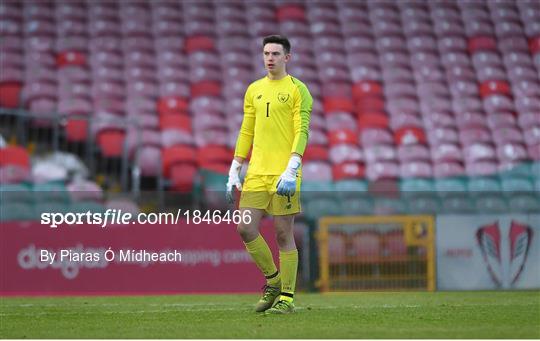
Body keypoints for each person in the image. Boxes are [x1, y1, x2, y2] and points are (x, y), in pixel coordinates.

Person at [226, 35, 312, 314]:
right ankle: (273, 281)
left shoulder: (298, 90)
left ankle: (287, 298)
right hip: (257, 172)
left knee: (283, 233)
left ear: (287, 57)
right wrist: (235, 166)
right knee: (245, 227)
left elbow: (302, 130)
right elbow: (246, 130)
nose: (270, 58)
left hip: (284, 173)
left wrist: (293, 166)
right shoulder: (254, 89)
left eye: (276, 53)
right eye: (266, 53)